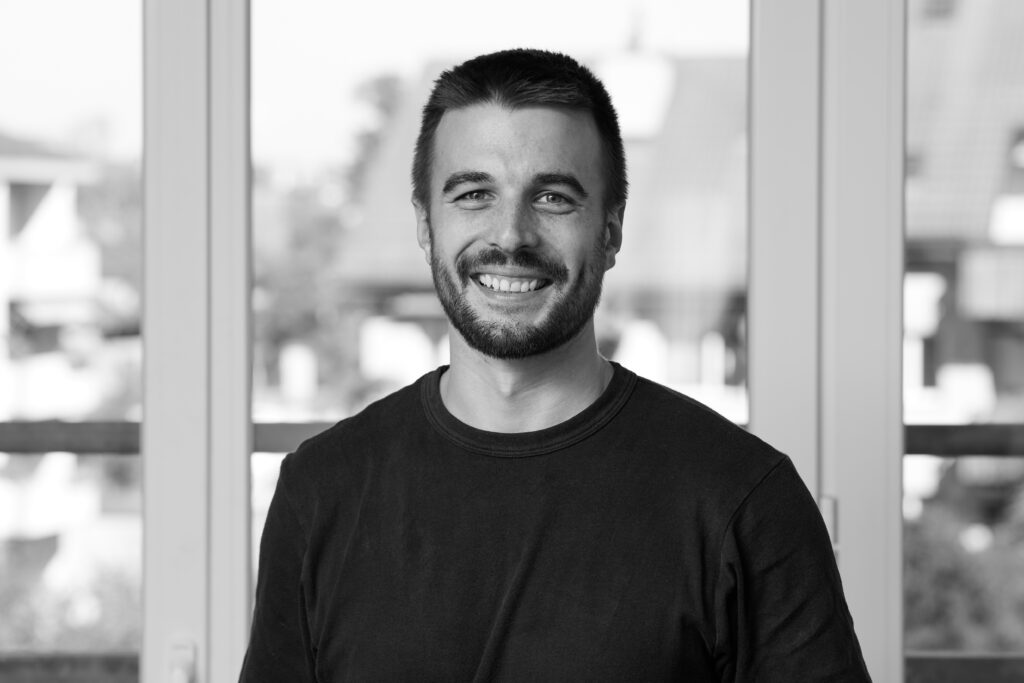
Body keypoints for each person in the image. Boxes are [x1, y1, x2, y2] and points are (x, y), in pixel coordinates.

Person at [239, 48, 870, 682]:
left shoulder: (742, 499)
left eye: (552, 197)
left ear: (611, 230)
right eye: (474, 194)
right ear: (427, 227)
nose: (510, 235)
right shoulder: (320, 492)